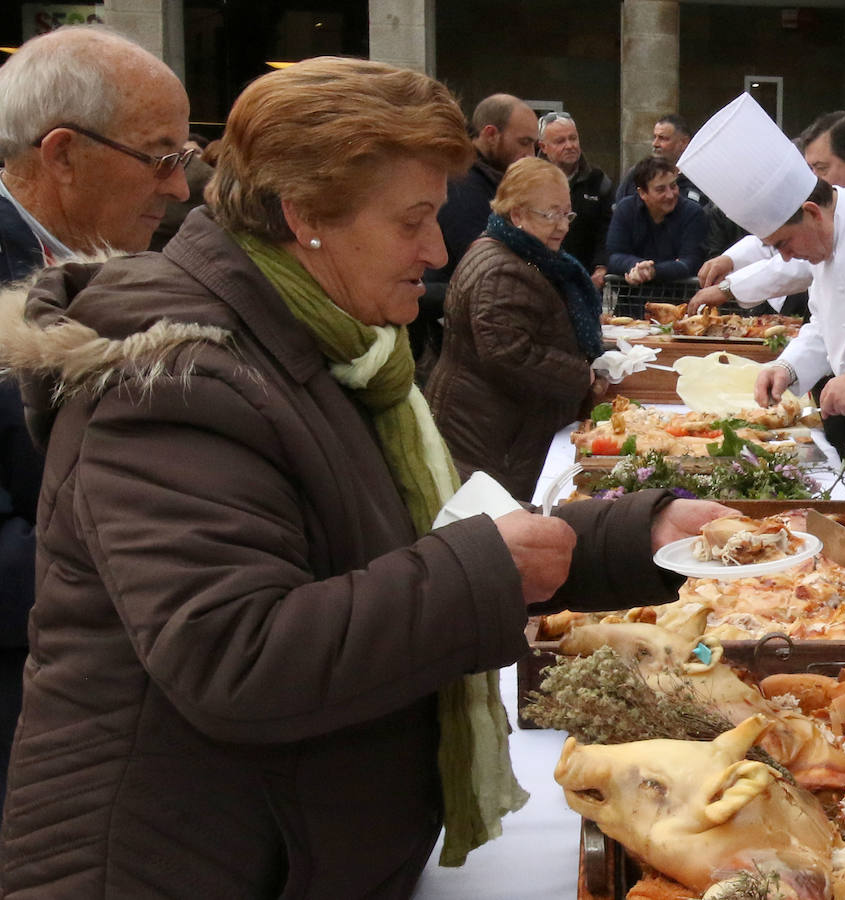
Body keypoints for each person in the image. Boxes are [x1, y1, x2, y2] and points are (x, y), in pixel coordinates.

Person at [0, 57, 728, 898]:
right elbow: (234, 656)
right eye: (412, 219)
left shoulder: (329, 348)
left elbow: (421, 533)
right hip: (186, 864)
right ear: (303, 214)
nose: (437, 247)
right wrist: (486, 571)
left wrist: (633, 534)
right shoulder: (176, 378)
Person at [0, 23, 192, 813]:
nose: (180, 188)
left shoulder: (117, 270)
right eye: (160, 156)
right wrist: (178, 558)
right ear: (62, 155)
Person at [679, 93, 845, 478]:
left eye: (783, 243)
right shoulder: (823, 241)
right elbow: (824, 324)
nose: (784, 258)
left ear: (811, 213)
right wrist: (787, 366)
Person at [426, 157, 603, 501]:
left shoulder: (521, 252)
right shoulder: (502, 270)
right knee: (501, 521)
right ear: (517, 214)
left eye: (567, 214)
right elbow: (508, 352)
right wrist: (582, 374)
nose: (562, 226)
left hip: (499, 426)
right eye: (549, 214)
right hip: (490, 433)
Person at [414, 94, 538, 379]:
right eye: (523, 142)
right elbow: (479, 262)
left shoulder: (491, 180)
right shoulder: (462, 183)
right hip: (451, 334)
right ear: (490, 134)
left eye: (534, 143)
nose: (530, 153)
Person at [537, 111, 614, 289]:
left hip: (585, 281)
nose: (570, 145)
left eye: (573, 138)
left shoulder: (598, 181)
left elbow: (607, 228)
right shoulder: (529, 181)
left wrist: (601, 267)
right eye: (560, 141)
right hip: (540, 278)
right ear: (543, 146)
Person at [606, 156, 707, 284]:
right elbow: (614, 256)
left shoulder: (693, 213)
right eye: (660, 190)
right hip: (631, 298)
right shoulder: (626, 209)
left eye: (673, 186)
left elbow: (691, 262)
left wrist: (653, 271)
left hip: (681, 298)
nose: (670, 195)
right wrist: (636, 266)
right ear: (642, 193)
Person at [614, 114, 709, 207]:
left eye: (663, 138)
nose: (655, 144)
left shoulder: (699, 180)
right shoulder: (637, 174)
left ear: (683, 142)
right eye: (654, 137)